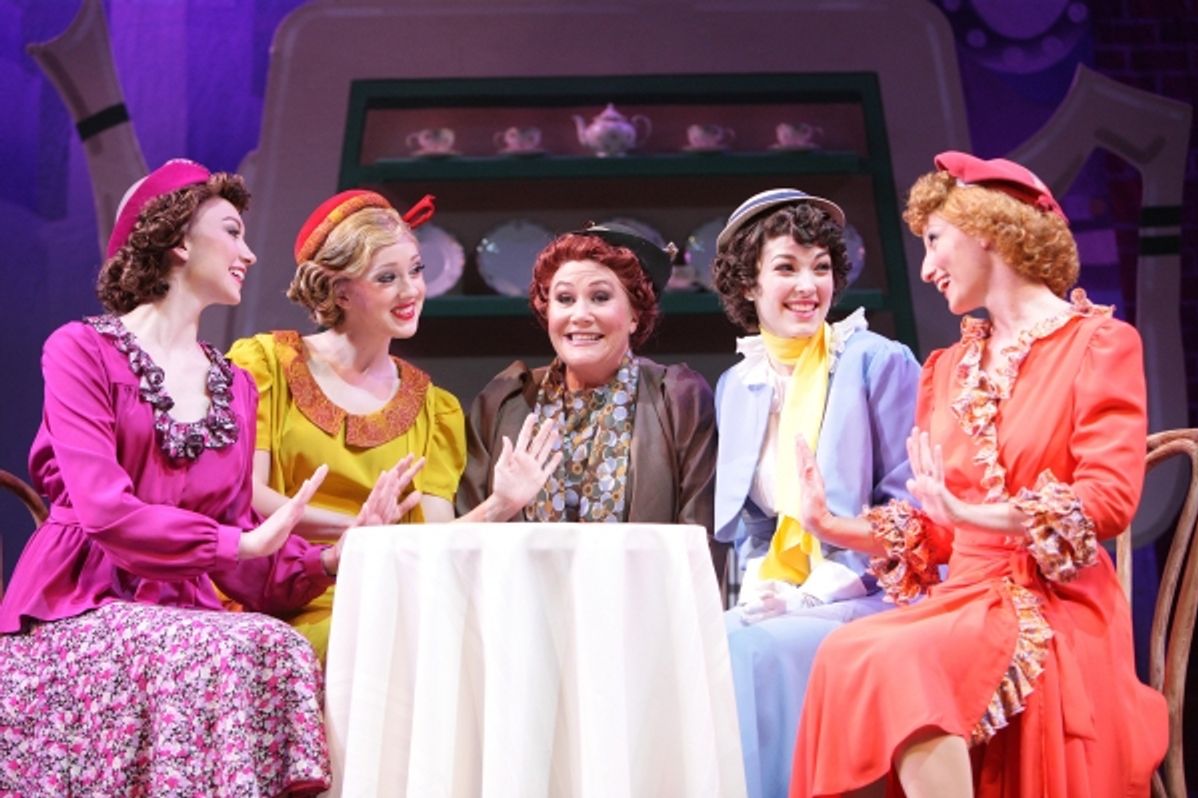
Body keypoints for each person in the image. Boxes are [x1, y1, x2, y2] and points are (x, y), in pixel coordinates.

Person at [0, 160, 414, 795]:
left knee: (277, 648)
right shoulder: (80, 350)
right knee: (221, 651)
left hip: (183, 608)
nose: (249, 252)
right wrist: (236, 543)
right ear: (177, 239)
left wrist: (336, 556)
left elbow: (241, 548)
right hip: (78, 602)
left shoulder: (235, 386)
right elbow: (105, 513)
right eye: (232, 231)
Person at [788, 152, 1168, 797]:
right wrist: (831, 525)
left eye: (935, 241)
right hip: (964, 600)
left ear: (986, 229)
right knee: (847, 652)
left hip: (1051, 606)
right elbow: (936, 532)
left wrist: (972, 515)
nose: (929, 269)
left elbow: (1105, 502)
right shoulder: (946, 369)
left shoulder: (1099, 346)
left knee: (898, 660)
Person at [229, 189, 559, 662]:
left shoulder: (434, 409)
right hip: (278, 596)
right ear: (340, 290)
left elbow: (434, 546)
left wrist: (500, 505)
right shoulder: (265, 365)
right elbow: (247, 495)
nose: (412, 291)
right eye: (388, 277)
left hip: (387, 597)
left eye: (417, 270)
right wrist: (361, 531)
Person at [710, 188, 920, 798]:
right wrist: (764, 588)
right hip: (785, 589)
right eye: (786, 267)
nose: (808, 284)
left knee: (747, 649)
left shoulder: (878, 361)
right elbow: (752, 520)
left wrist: (816, 592)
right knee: (705, 645)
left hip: (875, 593)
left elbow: (907, 511)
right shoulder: (739, 383)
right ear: (748, 284)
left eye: (820, 267)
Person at [456, 225, 722, 574]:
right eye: (564, 299)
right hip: (523, 615)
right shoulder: (505, 400)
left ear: (634, 315)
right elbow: (462, 547)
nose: (580, 315)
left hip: (641, 614)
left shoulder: (677, 396)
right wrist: (502, 504)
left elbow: (699, 544)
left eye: (600, 297)